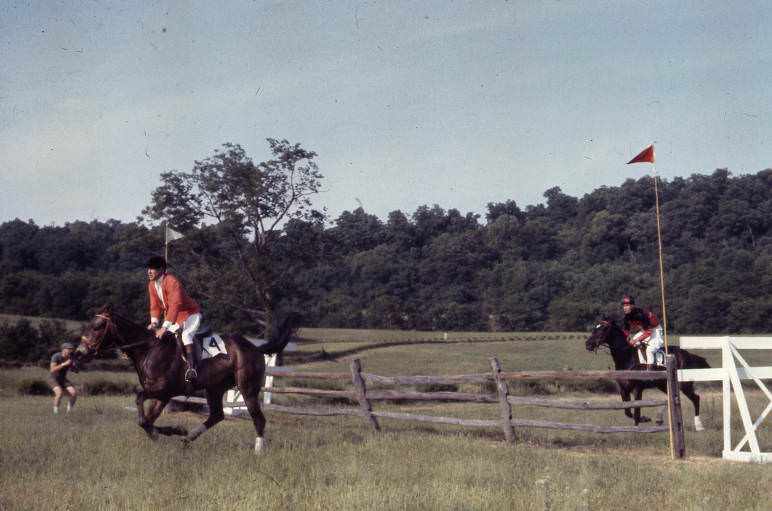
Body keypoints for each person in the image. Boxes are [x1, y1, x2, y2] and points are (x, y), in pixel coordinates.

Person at [146, 256, 202, 382]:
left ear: (161, 270)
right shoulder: (151, 285)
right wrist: (154, 322)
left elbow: (175, 305)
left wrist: (164, 327)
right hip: (175, 318)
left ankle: (191, 368)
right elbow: (154, 305)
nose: (149, 271)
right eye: (148, 269)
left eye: (152, 269)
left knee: (186, 335)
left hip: (190, 314)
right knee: (165, 339)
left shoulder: (172, 282)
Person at [620, 295, 664, 370]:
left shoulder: (641, 315)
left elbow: (649, 332)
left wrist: (636, 340)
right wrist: (628, 339)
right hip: (646, 330)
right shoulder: (626, 317)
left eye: (627, 305)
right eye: (623, 306)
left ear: (633, 306)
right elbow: (626, 331)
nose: (625, 308)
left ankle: (650, 372)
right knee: (635, 344)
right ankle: (642, 365)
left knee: (650, 350)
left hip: (655, 330)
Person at [49, 342, 77, 414]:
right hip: (53, 378)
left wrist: (74, 367)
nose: (71, 350)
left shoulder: (71, 357)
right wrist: (64, 364)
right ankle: (55, 413)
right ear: (63, 349)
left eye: (72, 349)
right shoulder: (56, 356)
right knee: (59, 393)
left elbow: (75, 371)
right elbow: (52, 369)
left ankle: (69, 412)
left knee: (73, 393)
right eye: (69, 349)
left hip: (63, 378)